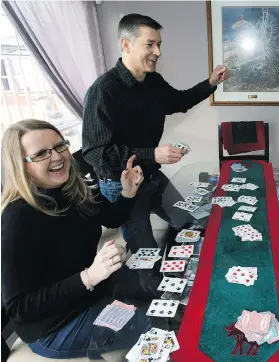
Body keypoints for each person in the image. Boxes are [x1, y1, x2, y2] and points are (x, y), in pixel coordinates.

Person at [1, 120, 149, 359]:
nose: (58, 156)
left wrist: (127, 192)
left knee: (162, 288)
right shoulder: (17, 217)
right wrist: (89, 276)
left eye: (60, 146)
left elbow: (112, 218)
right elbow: (19, 308)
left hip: (91, 293)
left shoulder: (76, 188)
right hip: (55, 327)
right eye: (41, 154)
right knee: (154, 322)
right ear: (20, 165)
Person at [82, 14, 230, 252]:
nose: (158, 52)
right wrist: (152, 154)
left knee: (191, 222)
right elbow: (95, 153)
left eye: (158, 44)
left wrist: (211, 82)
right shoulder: (102, 91)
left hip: (152, 175)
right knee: (145, 252)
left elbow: (180, 101)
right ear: (126, 45)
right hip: (122, 185)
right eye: (149, 44)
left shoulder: (154, 81)